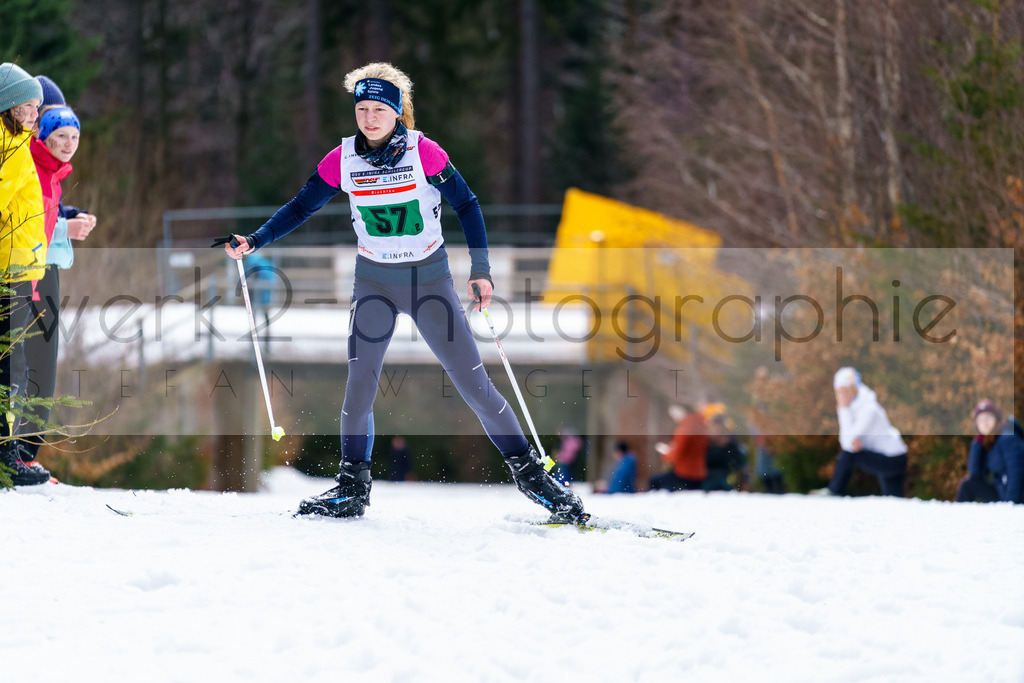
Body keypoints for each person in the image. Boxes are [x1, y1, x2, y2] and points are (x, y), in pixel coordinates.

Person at [222, 63, 584, 522]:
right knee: (359, 386)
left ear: (397, 113)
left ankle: (535, 479)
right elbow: (301, 207)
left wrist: (481, 268)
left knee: (474, 385)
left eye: (379, 110)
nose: (369, 118)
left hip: (428, 280)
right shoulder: (341, 160)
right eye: (362, 109)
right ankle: (352, 488)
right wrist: (255, 240)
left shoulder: (424, 153)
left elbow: (467, 205)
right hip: (373, 282)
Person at [21, 106, 93, 474]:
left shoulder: (53, 172)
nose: (69, 144)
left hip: (42, 271)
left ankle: (25, 455)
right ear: (43, 136)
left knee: (42, 362)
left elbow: (50, 211)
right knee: (33, 363)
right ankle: (20, 454)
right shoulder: (32, 167)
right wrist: (66, 229)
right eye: (60, 136)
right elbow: (31, 224)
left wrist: (69, 215)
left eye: (75, 136)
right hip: (28, 273)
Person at [0, 63, 50, 485]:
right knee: (8, 365)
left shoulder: (17, 140)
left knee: (11, 364)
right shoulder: (8, 144)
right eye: (29, 106)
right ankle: (6, 455)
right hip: (7, 265)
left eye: (37, 106)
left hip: (17, 263)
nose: (36, 113)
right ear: (9, 105)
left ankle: (7, 449)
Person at [811, 367, 908, 497]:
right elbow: (849, 442)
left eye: (847, 390)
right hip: (891, 457)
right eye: (840, 391)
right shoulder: (857, 406)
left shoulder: (868, 409)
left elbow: (848, 446)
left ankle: (835, 491)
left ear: (855, 389)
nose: (843, 395)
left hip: (893, 459)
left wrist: (842, 409)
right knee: (895, 500)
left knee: (849, 456)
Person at [956, 400, 1023, 504]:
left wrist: (1011, 504)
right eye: (980, 420)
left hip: (1017, 495)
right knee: (968, 485)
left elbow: (1016, 472)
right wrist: (977, 442)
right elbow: (975, 474)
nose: (985, 423)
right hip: (1001, 491)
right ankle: (958, 518)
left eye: (988, 418)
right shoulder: (989, 441)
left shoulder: (1007, 437)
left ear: (996, 419)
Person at [649, 404, 707, 491]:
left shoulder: (684, 428)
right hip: (700, 473)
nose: (674, 418)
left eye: (673, 414)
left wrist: (666, 453)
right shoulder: (700, 424)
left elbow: (677, 454)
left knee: (654, 481)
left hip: (685, 473)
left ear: (681, 411)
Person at [703, 410, 748, 491]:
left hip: (723, 477)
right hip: (711, 477)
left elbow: (739, 461)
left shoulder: (730, 442)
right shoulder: (708, 441)